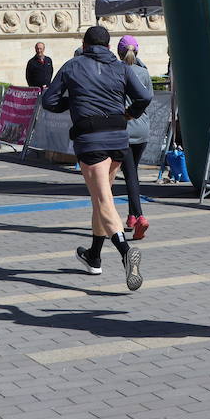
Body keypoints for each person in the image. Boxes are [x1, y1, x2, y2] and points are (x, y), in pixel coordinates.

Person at [41, 25, 151, 289]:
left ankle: (126, 252)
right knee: (102, 197)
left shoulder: (72, 66)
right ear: (109, 45)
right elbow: (145, 96)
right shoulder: (121, 67)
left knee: (102, 198)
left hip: (91, 139)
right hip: (118, 137)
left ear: (84, 44)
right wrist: (130, 113)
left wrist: (73, 101)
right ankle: (94, 256)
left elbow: (49, 100)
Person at [117, 35, 151, 240]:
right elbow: (150, 99)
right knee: (133, 172)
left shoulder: (120, 72)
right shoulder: (145, 72)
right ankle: (131, 215)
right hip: (143, 129)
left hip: (126, 129)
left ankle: (139, 216)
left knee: (130, 175)